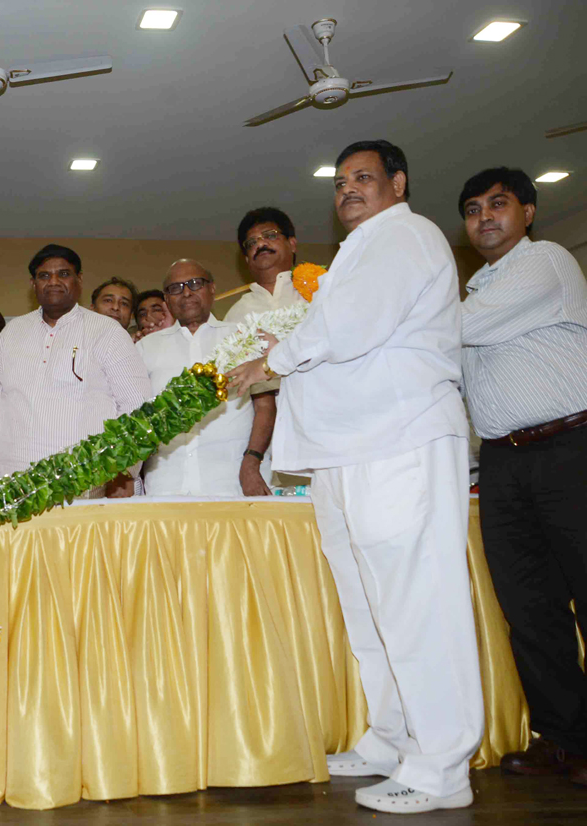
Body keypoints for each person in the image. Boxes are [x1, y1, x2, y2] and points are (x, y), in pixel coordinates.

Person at [226, 140, 481, 814]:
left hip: (397, 440)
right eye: (340, 183)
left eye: (363, 178)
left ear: (398, 183)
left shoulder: (405, 235)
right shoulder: (358, 252)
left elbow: (349, 327)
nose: (348, 192)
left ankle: (441, 765)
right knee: (369, 608)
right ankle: (390, 737)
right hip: (347, 452)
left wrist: (269, 363)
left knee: (416, 602)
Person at [458, 167, 587, 784]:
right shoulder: (474, 287)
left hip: (572, 446)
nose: (485, 217)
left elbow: (459, 332)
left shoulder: (547, 262)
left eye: (498, 204)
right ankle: (564, 739)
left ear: (528, 212)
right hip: (503, 464)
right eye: (473, 208)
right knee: (530, 608)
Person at [0, 244, 150, 497]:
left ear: (79, 280)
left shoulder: (106, 331)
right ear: (33, 283)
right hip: (14, 485)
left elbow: (138, 405)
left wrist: (123, 470)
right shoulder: (11, 334)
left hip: (86, 483)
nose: (54, 282)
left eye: (64, 274)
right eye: (44, 276)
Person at [137, 260, 271, 496]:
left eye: (195, 283)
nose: (186, 292)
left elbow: (265, 406)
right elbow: (135, 416)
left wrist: (252, 462)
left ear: (212, 289)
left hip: (232, 480)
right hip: (165, 483)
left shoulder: (243, 336)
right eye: (176, 288)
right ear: (167, 300)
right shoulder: (146, 347)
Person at [225, 207, 309, 494]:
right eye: (251, 242)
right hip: (263, 450)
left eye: (270, 235)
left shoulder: (321, 294)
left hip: (328, 432)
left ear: (292, 243)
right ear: (246, 257)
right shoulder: (236, 315)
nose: (261, 244)